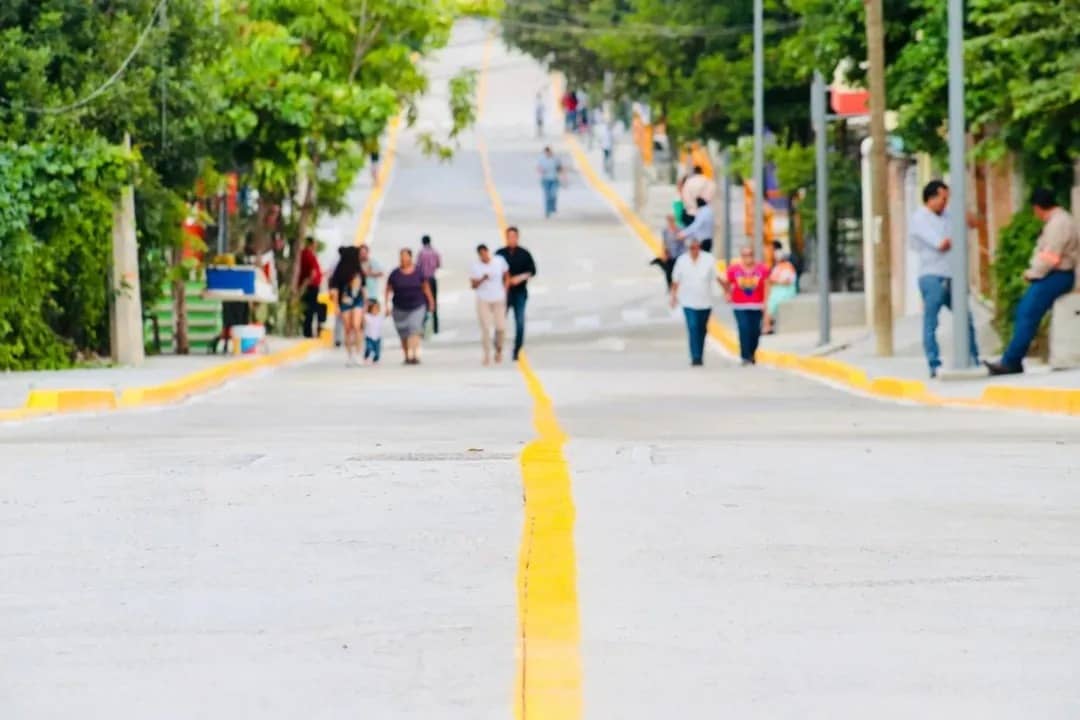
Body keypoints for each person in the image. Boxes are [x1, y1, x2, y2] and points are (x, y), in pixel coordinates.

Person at [986, 188, 1080, 375]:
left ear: (1037, 208)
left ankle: (1011, 361)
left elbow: (1050, 257)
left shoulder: (1058, 224)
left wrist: (1032, 273)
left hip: (1058, 275)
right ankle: (1012, 359)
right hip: (1054, 274)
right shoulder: (1059, 221)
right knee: (1024, 310)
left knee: (1028, 312)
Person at [909, 180, 979, 377]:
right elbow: (942, 244)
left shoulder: (949, 215)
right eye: (942, 198)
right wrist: (958, 233)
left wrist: (960, 209)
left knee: (965, 317)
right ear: (930, 199)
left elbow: (974, 224)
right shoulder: (920, 218)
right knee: (932, 321)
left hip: (952, 275)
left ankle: (973, 357)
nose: (945, 203)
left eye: (947, 199)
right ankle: (934, 363)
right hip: (932, 275)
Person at [670, 237, 718, 366]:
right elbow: (675, 280)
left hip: (705, 301)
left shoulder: (709, 259)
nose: (694, 250)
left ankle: (699, 353)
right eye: (691, 248)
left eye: (696, 247)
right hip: (688, 301)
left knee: (701, 329)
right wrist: (673, 297)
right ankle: (695, 356)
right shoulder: (682, 260)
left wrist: (727, 291)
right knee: (693, 327)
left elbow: (717, 277)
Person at [720, 245, 770, 366]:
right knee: (743, 328)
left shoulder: (762, 269)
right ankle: (745, 355)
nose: (748, 258)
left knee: (755, 331)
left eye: (750, 255)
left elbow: (767, 286)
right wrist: (727, 293)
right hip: (739, 305)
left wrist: (765, 302)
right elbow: (726, 282)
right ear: (741, 257)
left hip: (756, 305)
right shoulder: (734, 270)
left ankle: (752, 352)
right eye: (745, 255)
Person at [385, 248, 435, 365]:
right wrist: (386, 305)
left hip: (417, 305)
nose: (403, 259)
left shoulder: (418, 272)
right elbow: (388, 289)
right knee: (403, 333)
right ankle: (407, 355)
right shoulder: (395, 273)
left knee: (414, 328)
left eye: (405, 256)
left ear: (410, 257)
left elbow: (426, 287)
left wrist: (431, 302)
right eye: (401, 256)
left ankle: (415, 354)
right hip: (399, 307)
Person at [496, 226, 537, 361]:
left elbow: (532, 271)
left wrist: (518, 278)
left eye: (514, 236)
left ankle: (517, 349)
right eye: (509, 237)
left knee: (520, 322)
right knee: (500, 322)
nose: (512, 239)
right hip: (504, 293)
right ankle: (498, 346)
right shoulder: (500, 254)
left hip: (519, 292)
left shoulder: (524, 254)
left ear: (517, 237)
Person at [470, 244, 510, 365]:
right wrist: (482, 279)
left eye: (485, 253)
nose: (484, 256)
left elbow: (506, 274)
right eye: (481, 255)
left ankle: (498, 349)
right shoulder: (475, 267)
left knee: (500, 327)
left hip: (498, 297)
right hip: (483, 299)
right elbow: (473, 285)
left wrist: (506, 288)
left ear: (488, 252)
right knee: (486, 328)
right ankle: (486, 354)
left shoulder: (499, 261)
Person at [328, 246, 365, 365]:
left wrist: (366, 304)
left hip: (357, 301)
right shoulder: (339, 271)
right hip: (344, 302)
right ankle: (350, 355)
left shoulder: (358, 270)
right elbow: (334, 290)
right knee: (348, 328)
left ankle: (358, 353)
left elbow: (363, 288)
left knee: (356, 326)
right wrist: (336, 306)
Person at [764, 250, 798, 334]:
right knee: (766, 302)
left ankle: (768, 326)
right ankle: (768, 324)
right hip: (777, 289)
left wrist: (774, 281)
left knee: (770, 303)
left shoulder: (788, 266)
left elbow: (786, 281)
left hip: (784, 290)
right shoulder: (777, 267)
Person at [650, 214, 685, 290]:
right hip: (670, 254)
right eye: (669, 221)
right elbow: (664, 242)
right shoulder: (665, 231)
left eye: (671, 220)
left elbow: (683, 242)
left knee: (678, 271)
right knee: (669, 272)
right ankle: (670, 287)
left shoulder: (680, 229)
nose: (670, 222)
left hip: (679, 254)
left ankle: (679, 286)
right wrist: (663, 253)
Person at [297, 237, 323, 338]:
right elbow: (312, 272)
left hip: (309, 285)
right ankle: (308, 332)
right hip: (311, 286)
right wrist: (308, 283)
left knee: (309, 309)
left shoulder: (306, 254)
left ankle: (308, 331)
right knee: (310, 310)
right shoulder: (308, 255)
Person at [417, 234, 442, 334]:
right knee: (434, 302)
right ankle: (435, 327)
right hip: (432, 279)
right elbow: (439, 265)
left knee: (424, 303)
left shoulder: (421, 253)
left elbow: (418, 266)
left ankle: (424, 326)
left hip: (423, 280)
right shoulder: (435, 252)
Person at [538, 146, 562, 218]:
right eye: (546, 152)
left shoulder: (555, 159)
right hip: (545, 180)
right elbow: (539, 168)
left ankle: (553, 207)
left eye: (549, 152)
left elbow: (559, 168)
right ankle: (547, 211)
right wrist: (541, 170)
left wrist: (563, 178)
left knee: (553, 194)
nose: (548, 153)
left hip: (554, 179)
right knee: (547, 196)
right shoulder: (542, 159)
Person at [359, 243, 384, 308]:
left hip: (372, 294)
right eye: (361, 253)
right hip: (359, 296)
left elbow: (381, 273)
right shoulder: (357, 263)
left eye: (364, 253)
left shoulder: (373, 262)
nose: (363, 255)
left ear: (368, 252)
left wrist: (369, 273)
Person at [363, 299, 383, 365]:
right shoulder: (367, 316)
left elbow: (386, 314)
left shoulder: (380, 317)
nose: (375, 311)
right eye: (374, 309)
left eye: (377, 309)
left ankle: (375, 359)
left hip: (377, 337)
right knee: (369, 348)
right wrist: (365, 307)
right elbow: (363, 316)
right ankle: (366, 357)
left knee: (377, 351)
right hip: (369, 337)